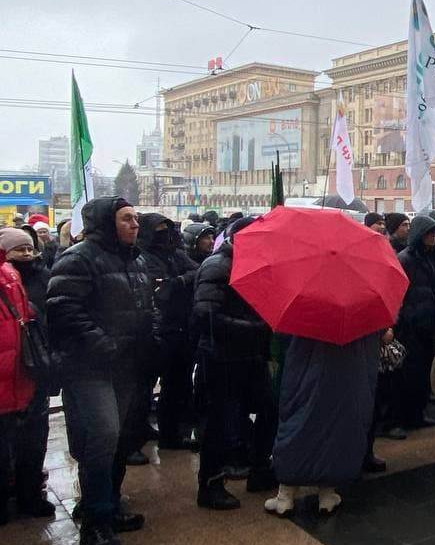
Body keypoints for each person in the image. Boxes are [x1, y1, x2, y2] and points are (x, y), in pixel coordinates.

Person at [46, 198, 153, 545]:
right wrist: (102, 343)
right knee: (104, 435)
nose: (135, 224)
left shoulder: (135, 258)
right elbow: (62, 307)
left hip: (126, 365)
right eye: (126, 219)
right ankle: (95, 522)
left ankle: (108, 503)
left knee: (120, 437)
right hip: (89, 367)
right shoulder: (78, 258)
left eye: (136, 218)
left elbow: (142, 307)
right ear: (107, 223)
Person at [190, 216, 276, 511]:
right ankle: (211, 483)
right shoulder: (217, 266)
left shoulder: (251, 264)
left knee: (269, 408)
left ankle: (260, 468)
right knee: (221, 422)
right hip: (221, 358)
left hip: (250, 356)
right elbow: (206, 316)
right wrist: (256, 327)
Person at [264, 327, 385, 516]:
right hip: (343, 375)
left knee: (297, 427)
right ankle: (327, 495)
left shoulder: (305, 301)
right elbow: (378, 332)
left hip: (304, 374)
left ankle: (285, 496)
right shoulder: (357, 304)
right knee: (333, 430)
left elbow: (284, 333)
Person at [0, 229, 55, 519]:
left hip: (33, 366)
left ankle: (29, 491)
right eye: (17, 249)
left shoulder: (40, 276)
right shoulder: (7, 277)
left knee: (35, 436)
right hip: (9, 374)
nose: (25, 254)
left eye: (28, 248)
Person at [137, 215, 200, 452]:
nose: (164, 234)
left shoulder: (174, 253)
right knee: (152, 387)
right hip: (159, 329)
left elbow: (195, 271)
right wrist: (179, 282)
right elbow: (161, 290)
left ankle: (173, 433)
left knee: (178, 384)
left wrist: (178, 281)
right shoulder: (143, 257)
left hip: (180, 327)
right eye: (159, 230)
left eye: (167, 228)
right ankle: (155, 434)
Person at [394, 216, 435, 433]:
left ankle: (419, 412)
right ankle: (407, 416)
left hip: (431, 323)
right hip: (411, 326)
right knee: (411, 374)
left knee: (425, 371)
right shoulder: (406, 259)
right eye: (428, 233)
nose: (433, 236)